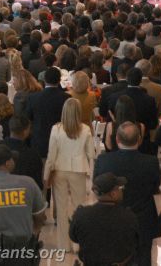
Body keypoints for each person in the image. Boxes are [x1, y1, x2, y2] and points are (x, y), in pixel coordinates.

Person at [94, 122, 161, 266]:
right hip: (143, 218)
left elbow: (98, 186)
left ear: (117, 139)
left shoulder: (104, 160)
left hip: (112, 218)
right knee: (143, 257)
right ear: (139, 139)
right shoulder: (151, 162)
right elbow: (156, 187)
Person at [43, 98, 94, 252]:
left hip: (59, 170)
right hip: (78, 170)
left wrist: (46, 175)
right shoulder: (85, 129)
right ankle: (78, 244)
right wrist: (91, 176)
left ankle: (64, 245)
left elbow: (51, 155)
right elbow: (91, 154)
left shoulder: (55, 129)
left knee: (61, 208)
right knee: (79, 207)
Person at [69, 173, 139, 266]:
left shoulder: (81, 215)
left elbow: (73, 237)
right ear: (113, 194)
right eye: (120, 189)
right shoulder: (129, 216)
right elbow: (136, 242)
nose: (122, 191)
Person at [26, 67, 71, 159]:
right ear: (59, 81)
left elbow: (28, 118)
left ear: (44, 80)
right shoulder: (66, 98)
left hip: (39, 141)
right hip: (61, 142)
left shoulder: (33, 98)